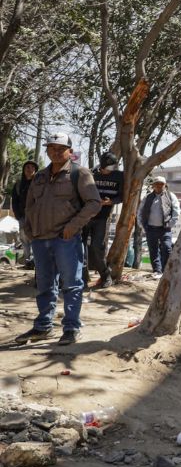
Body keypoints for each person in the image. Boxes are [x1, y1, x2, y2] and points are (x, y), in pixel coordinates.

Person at [16, 134, 101, 345]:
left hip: (66, 240)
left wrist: (72, 227)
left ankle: (71, 328)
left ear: (69, 151)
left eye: (60, 148)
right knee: (44, 285)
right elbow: (29, 205)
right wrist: (29, 229)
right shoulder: (39, 177)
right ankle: (43, 326)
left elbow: (94, 203)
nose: (54, 151)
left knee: (72, 285)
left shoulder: (79, 173)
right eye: (51, 147)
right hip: (40, 239)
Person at [85, 152, 124, 288]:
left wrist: (110, 201)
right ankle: (83, 278)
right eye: (109, 167)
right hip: (85, 216)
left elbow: (122, 196)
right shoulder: (91, 174)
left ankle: (105, 276)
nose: (112, 170)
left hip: (102, 218)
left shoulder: (119, 176)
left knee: (97, 247)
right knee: (80, 247)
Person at [138, 176, 180, 276]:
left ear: (165, 185)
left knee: (167, 248)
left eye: (161, 184)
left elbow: (176, 210)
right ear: (153, 186)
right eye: (157, 184)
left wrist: (171, 223)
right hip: (150, 228)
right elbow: (140, 211)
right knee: (153, 250)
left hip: (165, 229)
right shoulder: (147, 197)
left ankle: (166, 271)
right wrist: (141, 225)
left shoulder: (170, 196)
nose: (159, 186)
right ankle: (157, 271)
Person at [10, 160, 38, 267]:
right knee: (24, 239)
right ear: (24, 170)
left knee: (36, 239)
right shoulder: (18, 184)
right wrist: (18, 215)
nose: (29, 169)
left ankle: (36, 262)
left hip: (36, 217)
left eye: (32, 167)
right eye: (27, 167)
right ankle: (28, 262)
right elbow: (15, 200)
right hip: (22, 216)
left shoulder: (39, 183)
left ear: (35, 170)